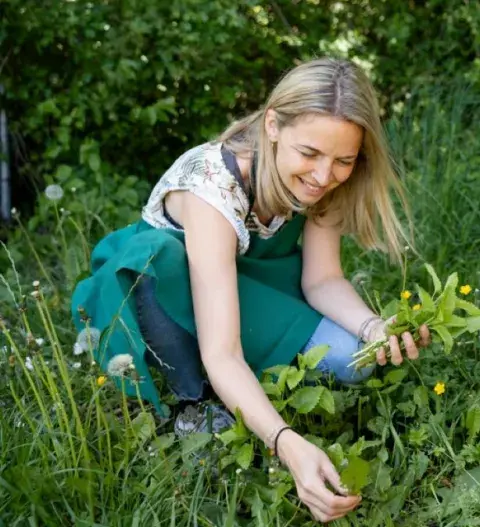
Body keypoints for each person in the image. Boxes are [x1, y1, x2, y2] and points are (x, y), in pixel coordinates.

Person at [70, 57, 431, 523]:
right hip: (167, 289)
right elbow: (222, 351)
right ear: (273, 125)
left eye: (343, 160)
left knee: (355, 359)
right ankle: (194, 403)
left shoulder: (331, 177)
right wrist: (287, 443)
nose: (324, 176)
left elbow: (322, 279)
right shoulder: (212, 186)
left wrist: (375, 326)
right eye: (311, 154)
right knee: (163, 273)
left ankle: (252, 388)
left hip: (250, 282)